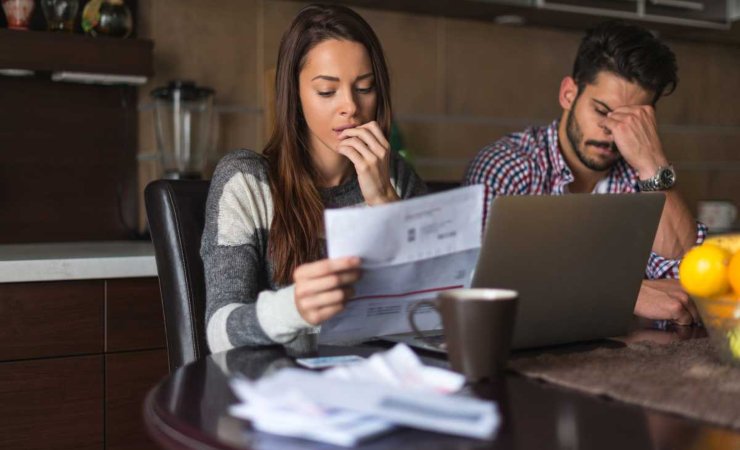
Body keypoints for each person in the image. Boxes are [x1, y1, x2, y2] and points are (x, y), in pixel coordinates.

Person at [201, 4, 426, 353]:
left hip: (379, 383)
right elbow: (219, 333)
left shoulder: (396, 177)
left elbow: (432, 314)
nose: (350, 106)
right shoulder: (247, 182)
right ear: (295, 94)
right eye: (326, 91)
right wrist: (295, 308)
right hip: (282, 390)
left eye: (364, 88)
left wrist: (384, 200)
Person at [463, 21, 706, 326]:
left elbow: (692, 285)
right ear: (568, 94)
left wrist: (653, 164)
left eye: (630, 120)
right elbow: (481, 293)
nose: (611, 131)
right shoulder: (509, 166)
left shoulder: (641, 177)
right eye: (602, 111)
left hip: (626, 360)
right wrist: (624, 293)